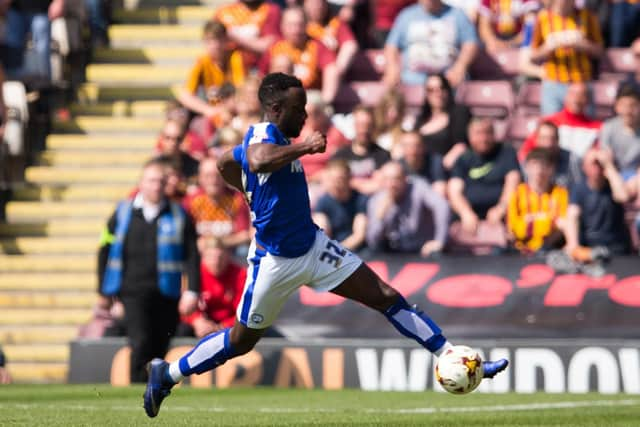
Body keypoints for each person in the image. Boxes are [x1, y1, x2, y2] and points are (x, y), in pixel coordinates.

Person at [143, 73, 508, 418]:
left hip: (314, 248)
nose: (304, 116)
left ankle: (454, 356)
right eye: (298, 110)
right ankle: (168, 373)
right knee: (242, 340)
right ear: (275, 110)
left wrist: (239, 177)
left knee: (384, 295)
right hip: (273, 261)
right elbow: (254, 159)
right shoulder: (261, 133)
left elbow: (231, 162)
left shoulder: (276, 141)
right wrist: (304, 148)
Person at [98, 158, 201, 383]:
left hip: (166, 292)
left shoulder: (178, 214)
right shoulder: (122, 213)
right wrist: (103, 291)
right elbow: (104, 250)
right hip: (132, 291)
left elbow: (192, 255)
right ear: (142, 183)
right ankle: (136, 388)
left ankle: (153, 390)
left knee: (160, 345)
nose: (156, 186)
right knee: (140, 341)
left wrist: (193, 290)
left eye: (161, 181)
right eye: (151, 181)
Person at [447, 118, 521, 253]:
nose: (483, 138)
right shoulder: (463, 158)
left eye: (487, 133)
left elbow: (513, 182)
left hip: (501, 216)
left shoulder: (506, 152)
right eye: (478, 133)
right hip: (469, 216)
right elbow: (454, 191)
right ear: (469, 136)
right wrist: (466, 213)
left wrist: (501, 207)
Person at [383, 0, 479, 88]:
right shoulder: (406, 16)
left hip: (448, 80)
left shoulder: (458, 15)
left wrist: (460, 67)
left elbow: (470, 43)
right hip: (411, 79)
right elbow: (391, 46)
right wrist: (392, 67)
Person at [530, 0, 603, 115]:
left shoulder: (587, 16)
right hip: (554, 81)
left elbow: (600, 51)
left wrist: (582, 45)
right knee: (552, 126)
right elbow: (533, 55)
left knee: (583, 127)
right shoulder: (543, 18)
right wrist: (549, 47)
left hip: (581, 81)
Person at [366, 161, 450, 257]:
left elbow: (442, 206)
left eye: (396, 179)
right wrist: (380, 218)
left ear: (405, 179)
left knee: (436, 254)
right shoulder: (376, 200)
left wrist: (439, 241)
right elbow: (372, 241)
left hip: (421, 248)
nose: (391, 184)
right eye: (387, 179)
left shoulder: (418, 188)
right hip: (392, 251)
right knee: (368, 254)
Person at [260, 7, 340, 104]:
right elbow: (261, 77)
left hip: (309, 101)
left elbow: (331, 70)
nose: (296, 30)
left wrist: (326, 101)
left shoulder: (317, 46)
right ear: (282, 26)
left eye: (300, 25)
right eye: (291, 25)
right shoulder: (274, 49)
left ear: (307, 25)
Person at [565, 147, 632, 257]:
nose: (598, 167)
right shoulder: (578, 188)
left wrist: (608, 165)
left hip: (616, 248)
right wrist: (573, 245)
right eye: (594, 163)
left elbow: (623, 196)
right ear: (584, 167)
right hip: (589, 247)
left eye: (600, 164)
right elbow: (572, 216)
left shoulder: (614, 185)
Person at [177, 21, 246, 121]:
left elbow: (241, 90)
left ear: (226, 40)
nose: (215, 45)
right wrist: (209, 110)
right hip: (211, 113)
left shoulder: (235, 58)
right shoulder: (202, 62)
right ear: (204, 42)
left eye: (219, 39)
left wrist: (226, 108)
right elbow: (184, 96)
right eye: (209, 41)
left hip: (234, 111)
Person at [180, 238, 247, 338]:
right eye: (211, 257)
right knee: (182, 330)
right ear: (203, 257)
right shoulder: (194, 275)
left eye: (220, 257)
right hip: (201, 324)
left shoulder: (241, 275)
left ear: (228, 256)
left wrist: (220, 327)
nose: (216, 262)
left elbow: (244, 311)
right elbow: (183, 308)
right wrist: (196, 321)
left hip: (229, 326)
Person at [519, 82, 602, 161]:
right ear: (566, 97)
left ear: (587, 100)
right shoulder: (550, 122)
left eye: (581, 95)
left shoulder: (597, 128)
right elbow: (525, 152)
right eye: (573, 94)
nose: (577, 99)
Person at [182, 157, 251, 250]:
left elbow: (245, 235)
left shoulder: (236, 199)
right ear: (200, 178)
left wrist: (220, 243)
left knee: (243, 250)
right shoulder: (190, 201)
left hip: (229, 251)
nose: (213, 180)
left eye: (217, 175)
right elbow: (184, 235)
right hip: (201, 253)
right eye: (208, 176)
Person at [507, 148, 569, 254]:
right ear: (526, 168)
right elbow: (514, 228)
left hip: (550, 249)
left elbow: (561, 227)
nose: (539, 170)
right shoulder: (518, 193)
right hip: (519, 251)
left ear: (551, 169)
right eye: (534, 165)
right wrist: (545, 219)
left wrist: (530, 220)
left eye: (543, 166)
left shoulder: (560, 193)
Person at [413, 74, 471, 171]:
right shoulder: (422, 118)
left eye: (441, 88)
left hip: (448, 166)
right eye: (431, 90)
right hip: (422, 165)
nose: (437, 93)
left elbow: (461, 144)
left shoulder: (459, 112)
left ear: (448, 90)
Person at [331, 105, 391, 195]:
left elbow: (382, 183)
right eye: (361, 125)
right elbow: (333, 180)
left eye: (368, 125)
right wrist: (363, 185)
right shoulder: (341, 155)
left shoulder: (383, 155)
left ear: (373, 126)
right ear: (354, 125)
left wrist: (349, 181)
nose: (364, 129)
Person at [312, 159, 368, 251]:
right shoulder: (323, 202)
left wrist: (340, 251)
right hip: (331, 251)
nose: (336, 183)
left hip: (358, 250)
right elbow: (322, 234)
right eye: (332, 179)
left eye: (340, 179)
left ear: (349, 178)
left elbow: (359, 235)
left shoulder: (360, 200)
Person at [2, 0, 65, 81]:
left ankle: (44, 86)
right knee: (12, 49)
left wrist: (59, 2)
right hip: (16, 9)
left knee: (42, 51)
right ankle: (14, 85)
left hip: (42, 10)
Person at [213, 0, 282, 70]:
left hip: (256, 68)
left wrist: (234, 36)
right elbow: (213, 42)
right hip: (226, 67)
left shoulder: (270, 10)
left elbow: (267, 45)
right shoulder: (223, 12)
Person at [304, 0, 359, 80]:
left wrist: (337, 71)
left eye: (321, 2)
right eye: (314, 3)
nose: (318, 6)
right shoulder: (299, 26)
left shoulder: (335, 24)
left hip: (330, 75)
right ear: (305, 4)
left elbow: (350, 45)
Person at [600, 83, 640, 188]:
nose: (628, 110)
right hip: (612, 177)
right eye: (624, 105)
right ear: (617, 106)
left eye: (633, 105)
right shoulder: (608, 127)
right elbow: (606, 158)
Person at [523, 121, 582, 190]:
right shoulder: (530, 160)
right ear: (537, 140)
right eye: (544, 138)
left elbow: (579, 188)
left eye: (552, 138)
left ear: (558, 140)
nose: (549, 144)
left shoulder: (571, 159)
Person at [398, 131, 447, 197]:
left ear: (423, 147)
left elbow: (440, 189)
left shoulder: (435, 161)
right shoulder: (398, 166)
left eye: (416, 146)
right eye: (407, 146)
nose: (411, 150)